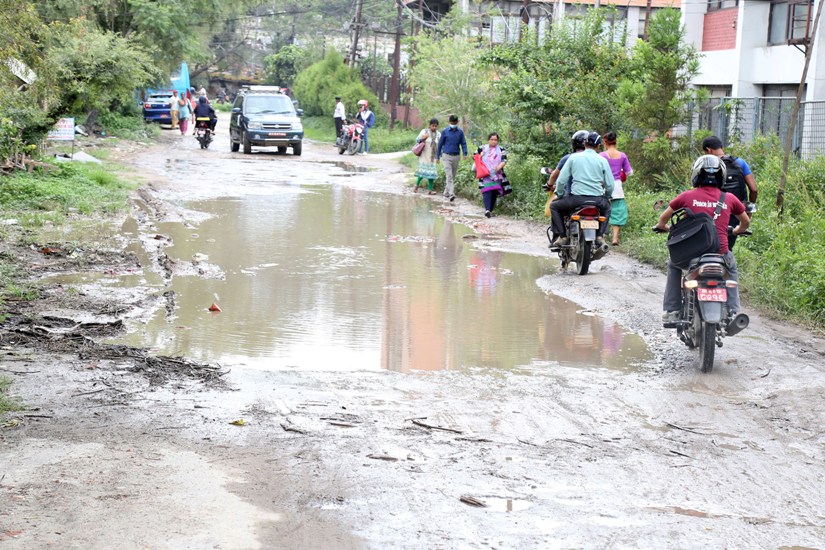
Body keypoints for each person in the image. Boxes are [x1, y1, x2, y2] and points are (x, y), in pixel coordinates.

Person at [654, 155, 750, 325]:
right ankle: (733, 310)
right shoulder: (729, 198)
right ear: (722, 176)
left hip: (692, 255)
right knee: (732, 268)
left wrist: (664, 227)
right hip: (720, 254)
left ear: (696, 175)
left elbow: (663, 219)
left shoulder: (686, 196)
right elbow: (745, 222)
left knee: (673, 264)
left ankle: (673, 310)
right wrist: (737, 231)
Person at [550, 132, 613, 246]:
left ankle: (563, 237)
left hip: (576, 199)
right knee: (607, 209)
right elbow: (610, 185)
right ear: (598, 146)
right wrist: (607, 197)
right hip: (597, 200)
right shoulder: (603, 160)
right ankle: (599, 236)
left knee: (554, 206)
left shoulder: (573, 158)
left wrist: (559, 194)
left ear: (585, 143)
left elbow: (561, 180)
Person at [701, 135, 758, 250]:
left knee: (706, 245)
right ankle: (727, 265)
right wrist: (748, 209)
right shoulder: (740, 163)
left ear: (708, 150)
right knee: (726, 247)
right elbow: (754, 189)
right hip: (735, 212)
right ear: (721, 147)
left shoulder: (707, 165)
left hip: (711, 211)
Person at [599, 131, 633, 246]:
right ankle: (615, 238)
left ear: (605, 142)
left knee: (601, 211)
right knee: (617, 211)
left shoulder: (602, 156)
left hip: (603, 186)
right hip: (617, 186)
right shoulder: (622, 155)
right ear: (616, 141)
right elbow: (630, 172)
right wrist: (621, 171)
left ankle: (600, 236)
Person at [475, 132, 508, 218]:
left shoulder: (501, 149)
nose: (494, 141)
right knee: (487, 190)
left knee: (494, 192)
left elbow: (504, 160)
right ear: (488, 140)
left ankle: (490, 210)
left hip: (497, 174)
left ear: (498, 141)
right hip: (485, 174)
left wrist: (498, 168)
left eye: (495, 140)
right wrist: (480, 155)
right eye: (492, 139)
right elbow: (474, 157)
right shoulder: (482, 148)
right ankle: (487, 210)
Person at [437, 114, 468, 202]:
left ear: (457, 122)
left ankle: (446, 192)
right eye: (452, 122)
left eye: (455, 122)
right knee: (449, 176)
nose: (453, 124)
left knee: (452, 176)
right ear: (449, 122)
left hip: (456, 156)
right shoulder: (445, 131)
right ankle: (451, 194)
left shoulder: (460, 132)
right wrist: (437, 156)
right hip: (446, 156)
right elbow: (440, 144)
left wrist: (465, 153)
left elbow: (463, 143)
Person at [414, 118, 441, 195]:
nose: (434, 128)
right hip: (424, 155)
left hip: (433, 157)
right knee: (422, 172)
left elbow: (440, 146)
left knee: (431, 174)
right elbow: (417, 140)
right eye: (433, 126)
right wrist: (423, 137)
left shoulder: (438, 134)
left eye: (436, 126)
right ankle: (416, 186)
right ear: (429, 125)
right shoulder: (424, 131)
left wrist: (438, 157)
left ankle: (430, 190)